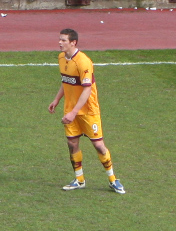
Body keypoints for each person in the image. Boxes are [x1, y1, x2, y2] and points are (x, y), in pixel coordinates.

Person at [48, 28, 125, 194]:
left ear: (73, 42)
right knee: (72, 143)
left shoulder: (83, 62)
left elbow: (87, 90)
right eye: (59, 39)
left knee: (98, 145)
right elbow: (66, 81)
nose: (59, 43)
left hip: (88, 111)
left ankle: (113, 180)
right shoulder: (61, 58)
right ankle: (79, 179)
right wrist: (57, 99)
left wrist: (73, 112)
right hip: (71, 110)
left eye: (63, 40)